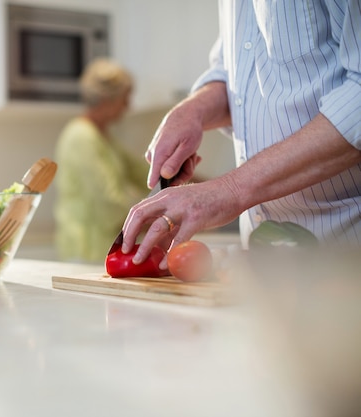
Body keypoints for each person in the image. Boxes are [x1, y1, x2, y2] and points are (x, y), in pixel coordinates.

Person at [120, 0, 361, 267]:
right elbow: (235, 75)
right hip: (265, 262)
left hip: (345, 251)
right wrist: (194, 109)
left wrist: (230, 190)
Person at [54, 58, 149, 263]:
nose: (128, 106)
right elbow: (109, 202)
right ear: (108, 99)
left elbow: (143, 172)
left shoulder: (104, 137)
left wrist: (192, 183)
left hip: (102, 247)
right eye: (125, 98)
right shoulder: (81, 136)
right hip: (87, 248)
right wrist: (158, 220)